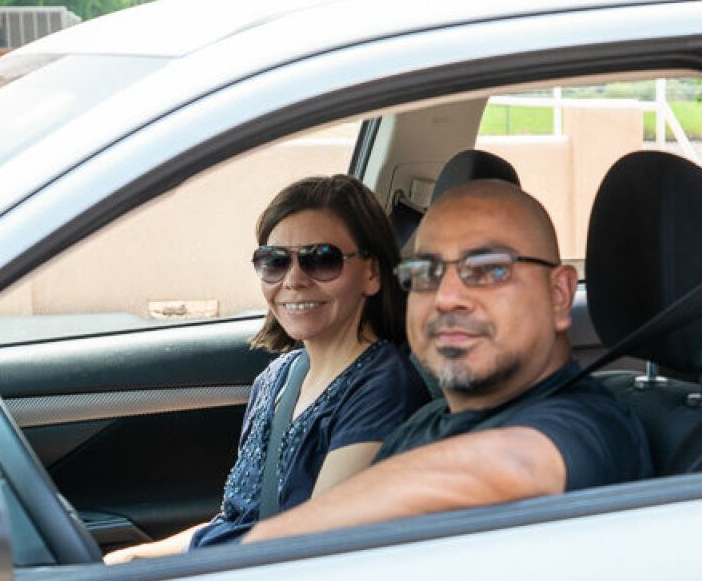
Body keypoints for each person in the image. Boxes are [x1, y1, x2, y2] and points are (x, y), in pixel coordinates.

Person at [243, 179, 651, 544]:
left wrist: (265, 547)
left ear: (559, 295)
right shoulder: (425, 423)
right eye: (427, 273)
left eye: (490, 270)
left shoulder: (588, 423)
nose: (447, 297)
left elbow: (517, 462)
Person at [104, 175, 429, 562]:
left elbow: (316, 542)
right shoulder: (277, 378)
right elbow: (236, 521)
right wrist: (139, 556)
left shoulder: (383, 386)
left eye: (322, 259)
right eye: (274, 261)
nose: (293, 279)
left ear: (372, 274)